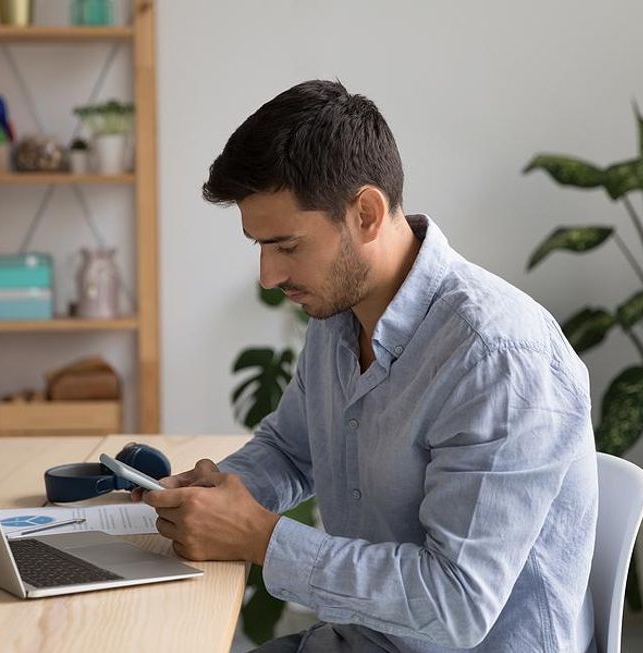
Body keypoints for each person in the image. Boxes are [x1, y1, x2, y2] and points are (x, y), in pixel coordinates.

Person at [133, 79, 598, 652]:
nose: (268, 276)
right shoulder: (339, 320)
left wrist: (262, 539)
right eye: (259, 246)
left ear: (367, 213)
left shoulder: (498, 358)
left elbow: (456, 605)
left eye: (286, 246)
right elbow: (288, 448)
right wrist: (214, 495)